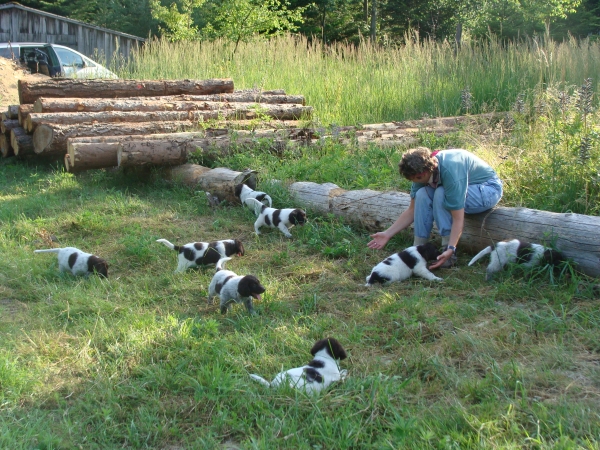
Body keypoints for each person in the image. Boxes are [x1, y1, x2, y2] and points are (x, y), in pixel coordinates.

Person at [367, 147, 503, 269]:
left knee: (441, 193)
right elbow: (412, 210)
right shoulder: (420, 174)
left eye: (419, 177)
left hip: (487, 190)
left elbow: (458, 217)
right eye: (412, 179)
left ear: (430, 168)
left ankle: (447, 253)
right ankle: (417, 250)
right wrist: (387, 234)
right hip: (464, 190)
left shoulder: (451, 170)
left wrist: (451, 248)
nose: (416, 181)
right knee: (422, 194)